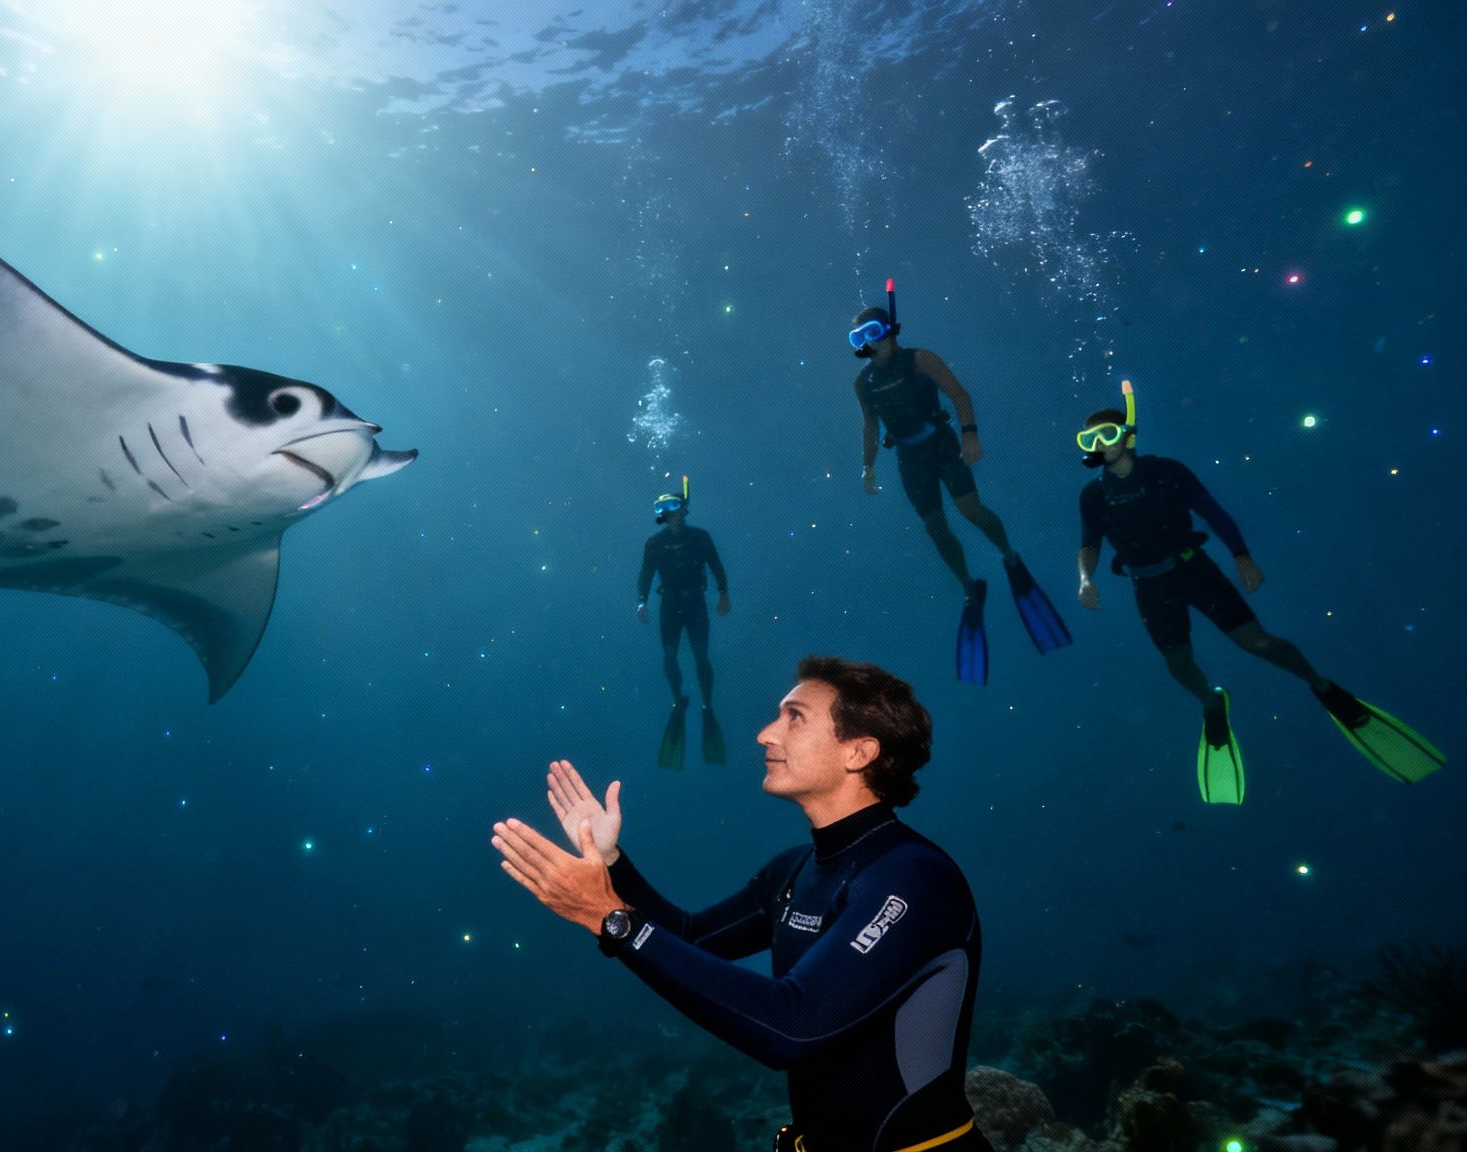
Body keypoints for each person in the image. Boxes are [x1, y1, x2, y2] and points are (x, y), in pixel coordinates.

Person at [492, 656, 989, 1152]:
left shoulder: (915, 878)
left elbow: (792, 1027)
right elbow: (689, 940)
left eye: (794, 717)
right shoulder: (792, 871)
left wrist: (610, 919)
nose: (765, 734)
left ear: (858, 752)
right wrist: (611, 862)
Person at [1074, 381, 1444, 802]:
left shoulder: (1166, 471)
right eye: (1090, 439)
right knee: (1178, 664)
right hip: (1149, 585)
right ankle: (1212, 703)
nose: (1099, 445)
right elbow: (1089, 543)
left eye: (1106, 434)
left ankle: (1321, 684)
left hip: (1195, 571)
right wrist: (1085, 578)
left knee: (1259, 642)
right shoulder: (1094, 494)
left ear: (1128, 434)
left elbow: (1212, 511)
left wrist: (1241, 555)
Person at [849, 284, 1068, 685]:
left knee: (970, 510)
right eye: (859, 338)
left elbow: (958, 393)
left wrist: (970, 434)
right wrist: (867, 466)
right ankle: (969, 586)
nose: (868, 343)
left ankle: (1008, 554)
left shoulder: (920, 359)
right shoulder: (862, 383)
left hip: (943, 445)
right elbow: (869, 425)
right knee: (935, 527)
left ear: (890, 331)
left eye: (874, 333)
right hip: (909, 459)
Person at [637, 477, 731, 767]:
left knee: (701, 655)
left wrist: (723, 593)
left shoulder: (700, 537)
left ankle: (706, 704)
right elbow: (646, 574)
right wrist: (642, 601)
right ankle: (679, 698)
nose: (671, 514)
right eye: (664, 509)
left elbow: (716, 565)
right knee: (669, 656)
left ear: (684, 510)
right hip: (670, 605)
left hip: (695, 604)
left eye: (675, 507)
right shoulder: (654, 544)